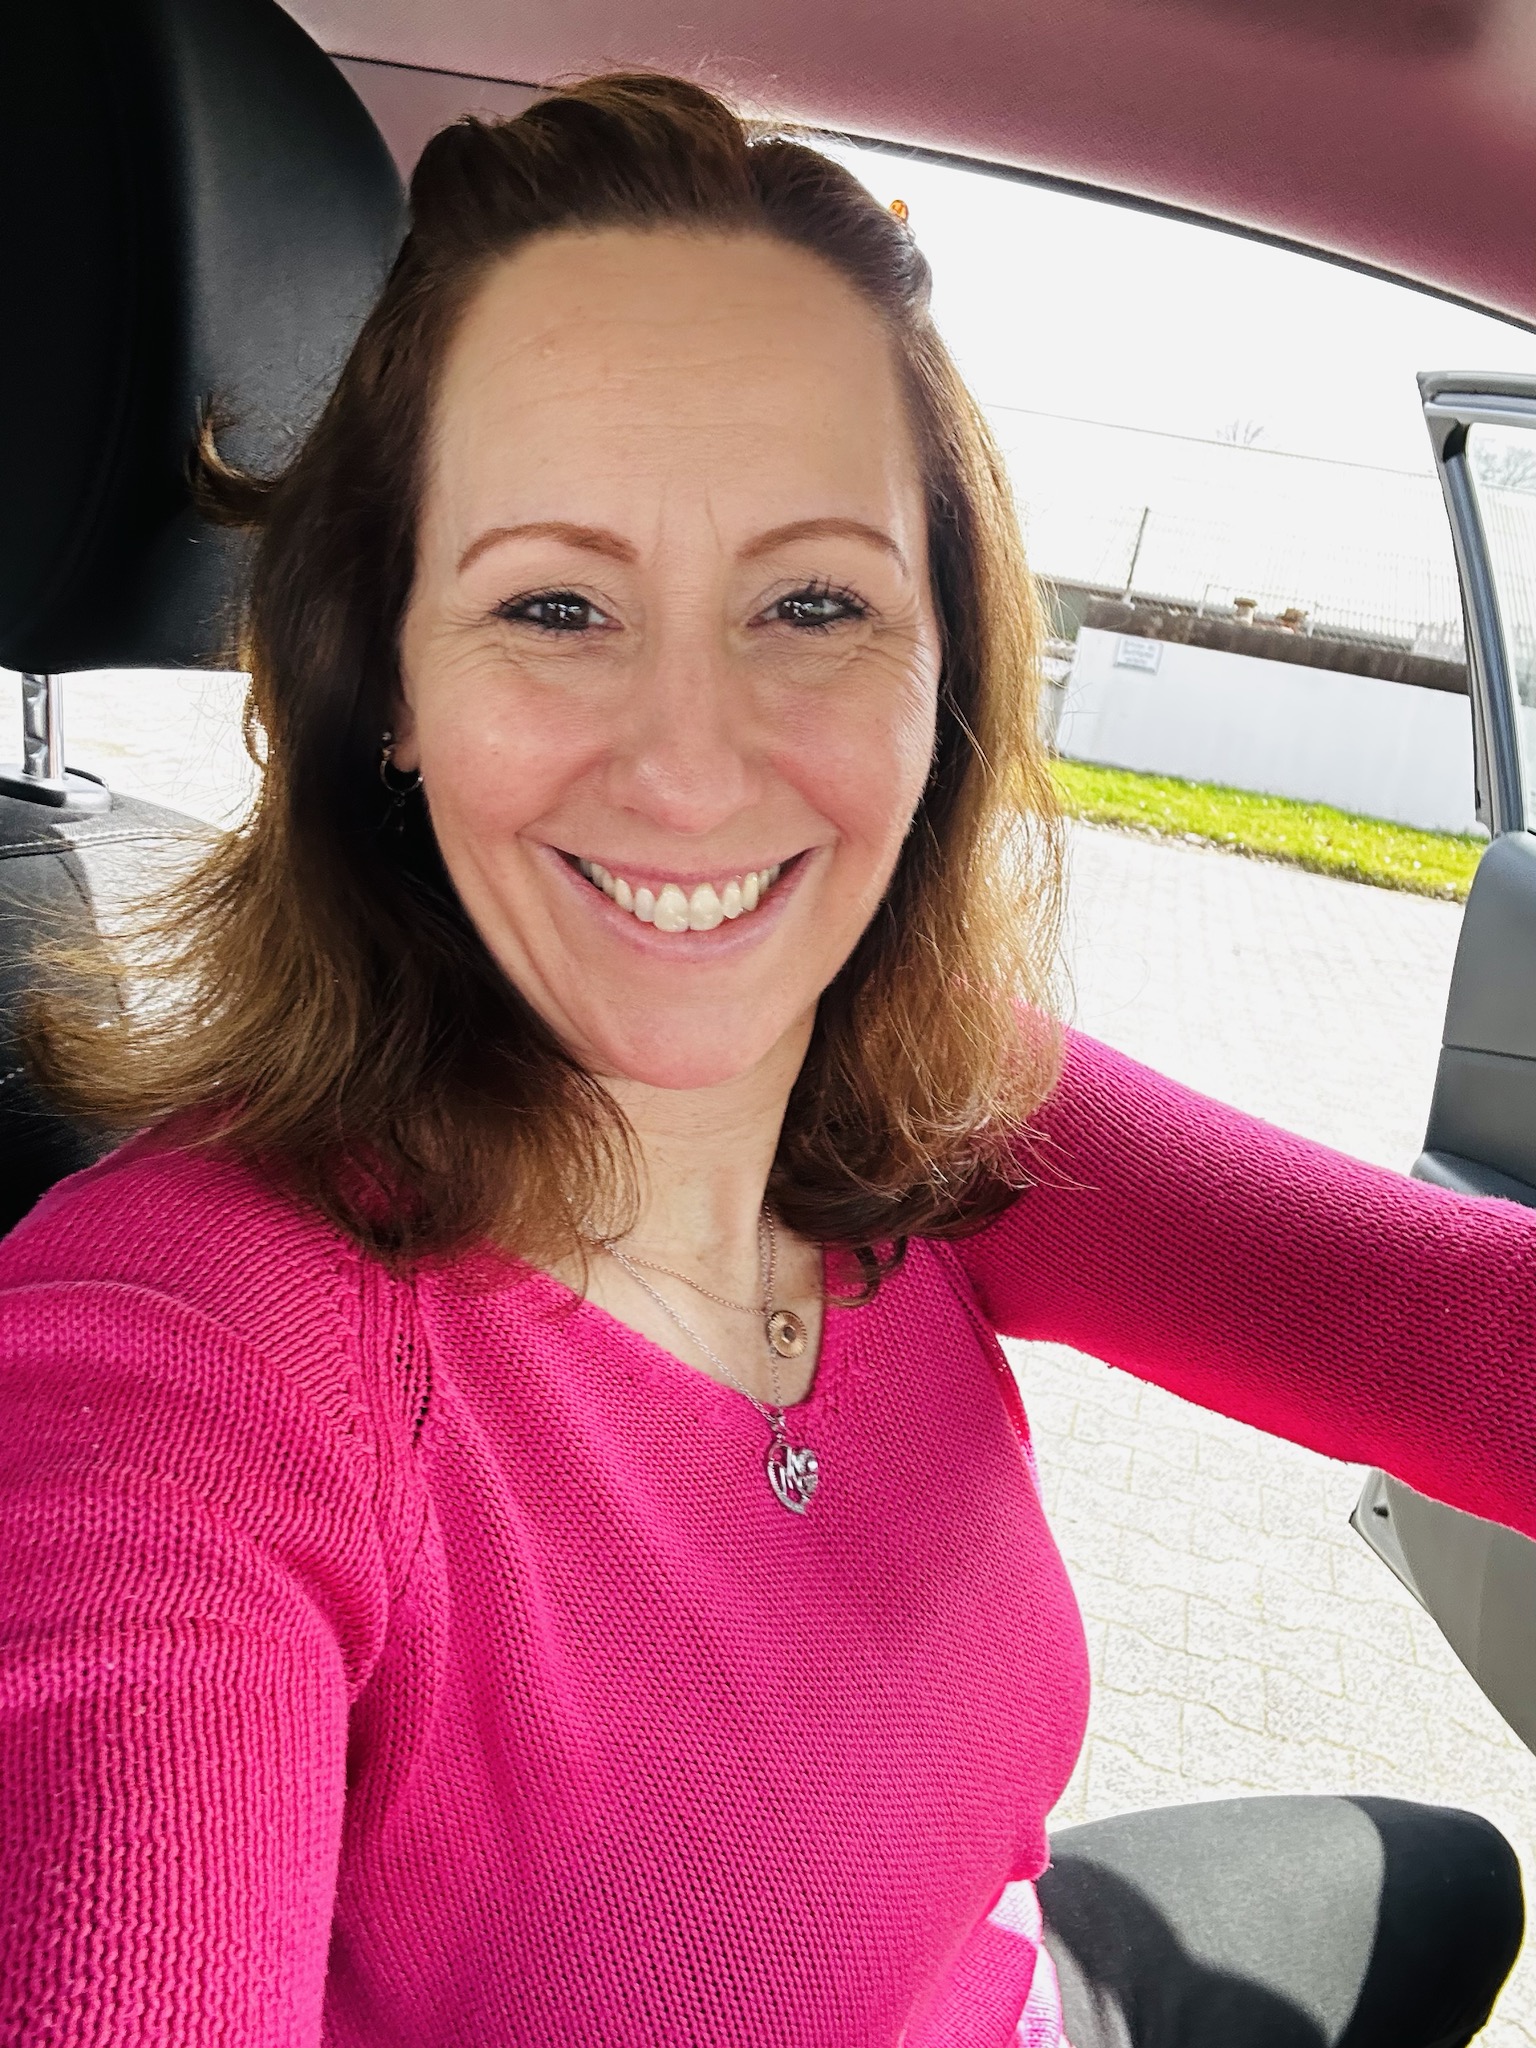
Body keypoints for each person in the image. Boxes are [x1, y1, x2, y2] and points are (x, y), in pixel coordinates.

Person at [0, 72, 1527, 2048]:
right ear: (388, 678)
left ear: (942, 667)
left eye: (813, 602)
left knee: (1454, 1874)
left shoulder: (927, 1096)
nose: (690, 767)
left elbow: (1468, 1335)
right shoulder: (172, 1364)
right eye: (556, 604)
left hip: (1000, 1982)